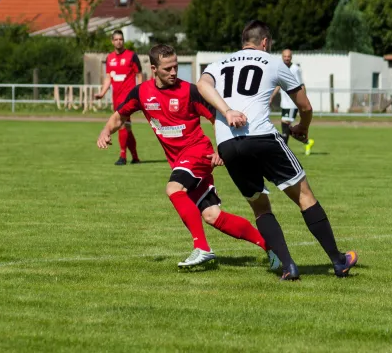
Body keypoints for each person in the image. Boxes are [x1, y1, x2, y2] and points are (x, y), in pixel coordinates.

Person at [197, 20, 357, 281]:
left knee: (261, 208)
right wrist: (302, 127)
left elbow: (202, 85)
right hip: (262, 137)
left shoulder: (217, 65)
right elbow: (304, 106)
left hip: (228, 145)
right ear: (265, 42)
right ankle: (338, 262)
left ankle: (288, 266)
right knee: (304, 197)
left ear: (243, 41)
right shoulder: (273, 63)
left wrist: (226, 112)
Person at [96, 44, 279, 270]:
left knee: (173, 189)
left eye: (175, 66)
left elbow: (217, 119)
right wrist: (105, 131)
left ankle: (201, 247)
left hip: (198, 152)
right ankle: (272, 248)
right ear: (153, 69)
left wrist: (220, 151)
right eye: (167, 69)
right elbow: (119, 116)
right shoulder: (142, 93)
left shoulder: (191, 91)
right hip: (180, 160)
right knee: (213, 216)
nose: (174, 72)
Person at [95, 30, 142, 165]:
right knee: (127, 127)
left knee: (121, 125)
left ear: (123, 40)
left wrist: (139, 93)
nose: (118, 42)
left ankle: (123, 156)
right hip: (116, 97)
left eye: (120, 39)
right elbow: (109, 77)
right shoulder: (109, 58)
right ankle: (135, 157)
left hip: (128, 97)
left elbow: (139, 74)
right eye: (116, 39)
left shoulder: (132, 56)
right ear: (112, 41)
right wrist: (103, 93)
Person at [270, 49, 315, 155]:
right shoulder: (281, 67)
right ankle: (307, 142)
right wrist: (272, 96)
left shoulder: (295, 69)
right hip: (284, 103)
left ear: (291, 57)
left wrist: (302, 101)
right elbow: (278, 84)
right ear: (282, 56)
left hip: (292, 103)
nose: (286, 58)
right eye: (285, 56)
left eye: (288, 56)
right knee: (287, 127)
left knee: (285, 123)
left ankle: (283, 150)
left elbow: (301, 85)